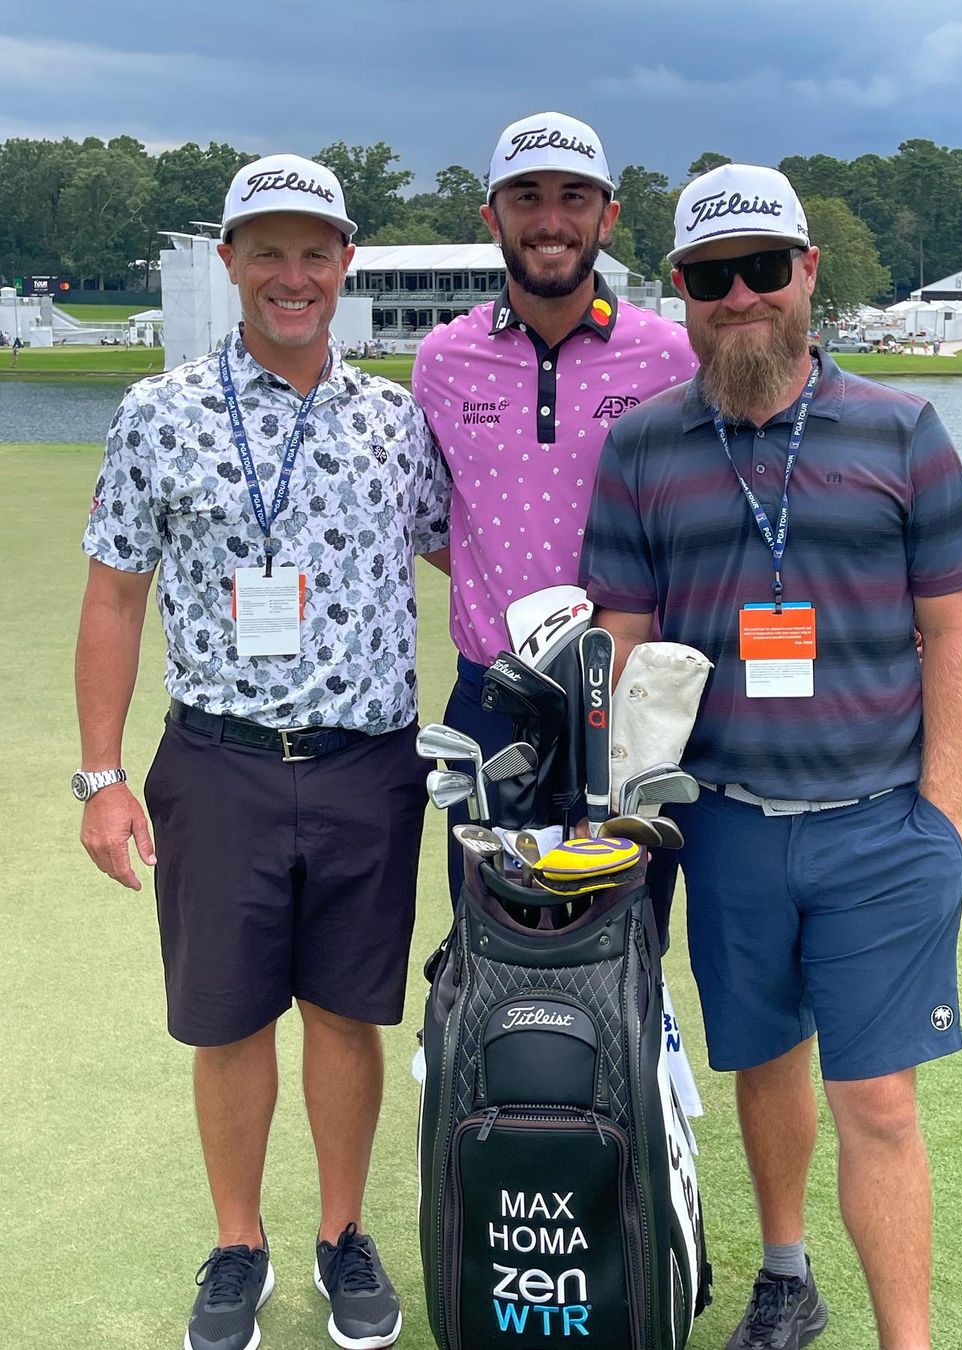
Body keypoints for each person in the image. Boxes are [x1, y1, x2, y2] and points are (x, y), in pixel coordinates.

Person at [580, 163, 962, 1350]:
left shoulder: (903, 431)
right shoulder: (645, 447)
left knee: (878, 1099)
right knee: (764, 1064)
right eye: (713, 278)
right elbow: (622, 641)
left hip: (878, 823)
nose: (741, 297)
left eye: (764, 268)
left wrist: (942, 814)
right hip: (726, 823)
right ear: (681, 290)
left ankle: (907, 1339)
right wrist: (614, 803)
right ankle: (785, 1273)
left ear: (808, 271)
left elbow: (953, 633)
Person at [74, 153, 450, 1350]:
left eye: (315, 253)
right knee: (229, 1020)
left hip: (366, 765)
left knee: (345, 1014)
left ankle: (343, 1234)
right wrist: (100, 778)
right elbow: (114, 596)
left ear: (347, 264)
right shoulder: (161, 411)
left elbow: (464, 552)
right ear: (230, 261)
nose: (294, 276)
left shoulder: (394, 419)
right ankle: (240, 1242)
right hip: (219, 761)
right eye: (268, 252)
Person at [412, 110, 697, 900]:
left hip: (629, 702)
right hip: (492, 699)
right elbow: (436, 522)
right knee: (491, 937)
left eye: (574, 197)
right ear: (491, 218)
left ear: (608, 216)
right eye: (526, 197)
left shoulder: (671, 355)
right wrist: (502, 584)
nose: (550, 220)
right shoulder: (442, 360)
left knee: (622, 936)